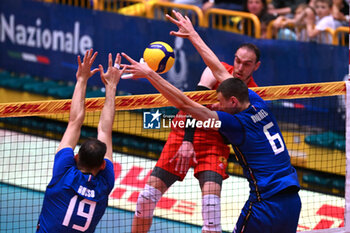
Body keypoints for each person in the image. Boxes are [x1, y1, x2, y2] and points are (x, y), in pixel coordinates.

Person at [122, 10, 301, 233]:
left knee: (211, 213)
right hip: (290, 193)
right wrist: (193, 34)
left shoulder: (236, 121)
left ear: (233, 102)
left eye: (220, 102)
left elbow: (186, 104)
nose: (215, 105)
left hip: (254, 189)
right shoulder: (254, 99)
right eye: (237, 61)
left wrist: (150, 74)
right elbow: (216, 68)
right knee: (147, 198)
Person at [130, 42, 261, 233]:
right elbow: (194, 102)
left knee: (211, 209)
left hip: (214, 142)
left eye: (247, 64)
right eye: (238, 61)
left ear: (256, 66)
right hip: (184, 131)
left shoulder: (254, 94)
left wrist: (223, 116)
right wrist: (187, 141)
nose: (240, 68)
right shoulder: (216, 70)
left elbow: (234, 134)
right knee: (146, 199)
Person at [36, 49, 125, 232]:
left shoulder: (64, 174)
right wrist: (111, 87)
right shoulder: (105, 183)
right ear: (102, 165)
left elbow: (74, 122)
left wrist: (82, 79)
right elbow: (105, 130)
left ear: (75, 157)